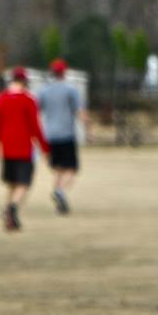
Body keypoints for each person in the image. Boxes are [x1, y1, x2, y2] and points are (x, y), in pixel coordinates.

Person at [0, 67, 50, 232]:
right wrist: (44, 147)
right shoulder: (28, 100)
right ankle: (12, 209)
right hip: (23, 148)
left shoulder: (0, 99)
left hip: (6, 149)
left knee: (12, 184)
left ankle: (9, 215)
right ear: (25, 82)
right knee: (23, 183)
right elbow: (35, 127)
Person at [38, 58, 88, 215]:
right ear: (64, 72)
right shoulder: (71, 90)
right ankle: (60, 192)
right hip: (66, 134)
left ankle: (60, 205)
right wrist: (88, 129)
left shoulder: (44, 90)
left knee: (58, 169)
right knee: (71, 169)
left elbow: (37, 110)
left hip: (50, 135)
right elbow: (80, 112)